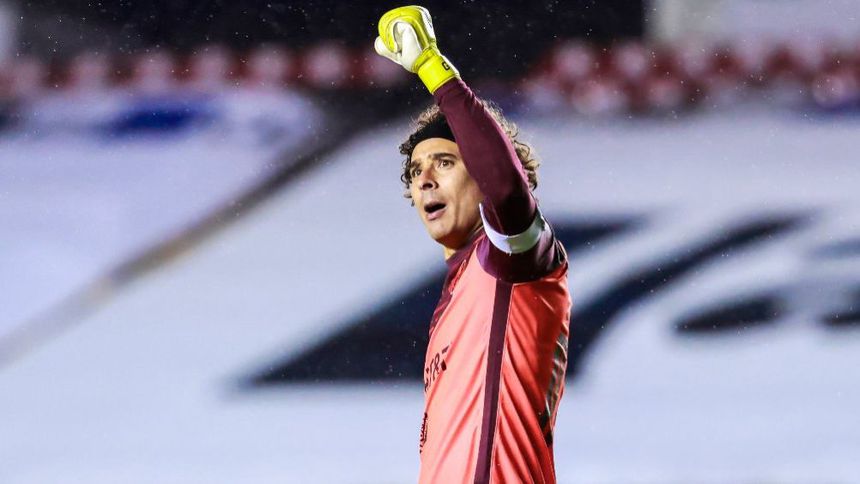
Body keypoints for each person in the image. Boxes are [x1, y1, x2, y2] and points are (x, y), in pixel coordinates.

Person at [374, 6, 572, 484]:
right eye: (416, 171)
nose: (425, 179)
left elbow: (505, 189)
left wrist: (433, 69)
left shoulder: (509, 263)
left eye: (444, 163)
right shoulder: (458, 293)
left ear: (480, 174)